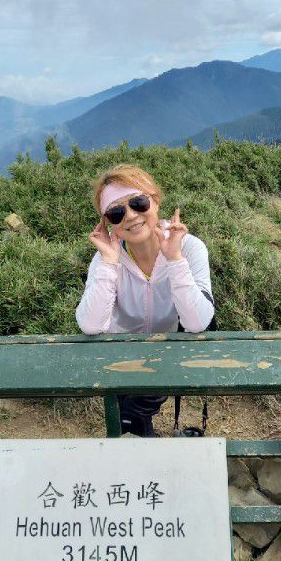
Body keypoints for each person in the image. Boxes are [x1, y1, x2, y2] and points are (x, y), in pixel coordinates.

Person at [75, 163, 215, 437]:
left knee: (131, 419)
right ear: (108, 223)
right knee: (130, 420)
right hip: (119, 356)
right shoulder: (105, 259)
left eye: (138, 202)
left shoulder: (189, 247)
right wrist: (109, 263)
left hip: (167, 353)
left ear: (155, 199)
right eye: (116, 212)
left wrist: (175, 260)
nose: (130, 216)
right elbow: (90, 326)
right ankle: (139, 429)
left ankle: (138, 427)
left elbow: (198, 322)